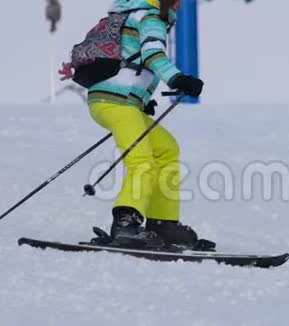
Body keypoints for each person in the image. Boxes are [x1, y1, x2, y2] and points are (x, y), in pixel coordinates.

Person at [59, 0, 204, 247]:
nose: (179, 6)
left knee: (167, 148)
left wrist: (141, 99)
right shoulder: (150, 18)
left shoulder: (128, 15)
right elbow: (152, 56)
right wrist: (178, 79)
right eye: (177, 0)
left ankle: (163, 223)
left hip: (117, 100)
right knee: (142, 160)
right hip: (117, 101)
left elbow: (128, 58)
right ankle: (126, 224)